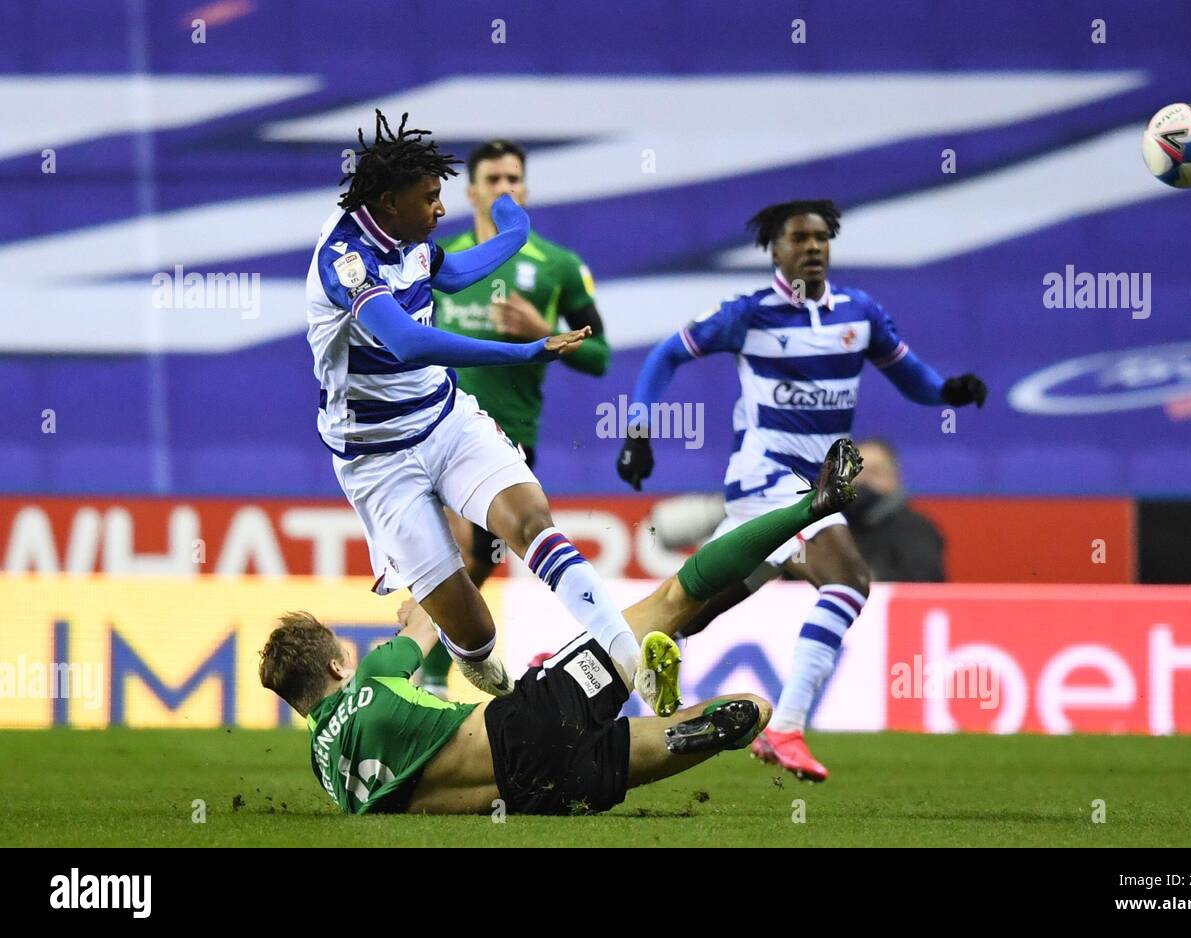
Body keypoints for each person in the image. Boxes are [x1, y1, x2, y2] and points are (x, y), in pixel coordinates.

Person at [258, 440, 862, 815]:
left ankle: (699, 722)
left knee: (748, 709)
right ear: (340, 665)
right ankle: (809, 508)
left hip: (538, 796)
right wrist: (420, 564)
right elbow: (435, 607)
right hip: (529, 719)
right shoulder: (373, 674)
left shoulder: (326, 767)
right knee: (673, 598)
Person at [306, 110, 672, 715]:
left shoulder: (407, 236)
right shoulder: (347, 260)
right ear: (390, 201)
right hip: (377, 459)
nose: (441, 211)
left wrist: (513, 232)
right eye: (429, 199)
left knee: (532, 522)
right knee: (471, 630)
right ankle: (475, 661)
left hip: (446, 418)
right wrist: (524, 349)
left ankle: (632, 663)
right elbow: (409, 342)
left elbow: (454, 272)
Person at [616, 200, 987, 781]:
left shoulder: (859, 314)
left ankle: (567, 671)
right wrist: (638, 430)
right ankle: (786, 727)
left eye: (821, 238)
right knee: (849, 582)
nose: (812, 247)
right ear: (775, 249)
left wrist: (949, 393)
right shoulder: (749, 313)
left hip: (807, 487)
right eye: (799, 239)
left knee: (687, 613)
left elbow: (911, 376)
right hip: (774, 479)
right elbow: (666, 356)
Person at [420, 138, 609, 695]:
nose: (506, 189)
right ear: (472, 191)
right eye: (495, 180)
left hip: (508, 435)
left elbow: (600, 357)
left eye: (515, 180)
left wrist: (538, 335)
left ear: (525, 189)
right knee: (450, 552)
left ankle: (430, 663)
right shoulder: (440, 260)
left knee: (476, 558)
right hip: (433, 426)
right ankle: (427, 672)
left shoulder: (559, 267)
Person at [842, 438, 945, 582]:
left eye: (874, 472)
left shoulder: (916, 529)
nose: (862, 480)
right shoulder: (829, 528)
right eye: (855, 472)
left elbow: (924, 582)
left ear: (894, 478)